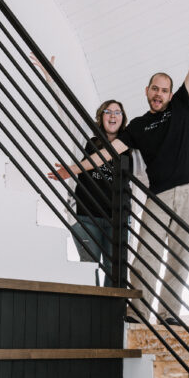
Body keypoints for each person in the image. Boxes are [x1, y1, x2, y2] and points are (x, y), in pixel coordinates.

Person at [51, 21, 189, 323]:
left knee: (180, 255)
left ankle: (168, 314)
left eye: (164, 90)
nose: (159, 94)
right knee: (147, 252)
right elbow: (105, 155)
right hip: (159, 194)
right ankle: (137, 311)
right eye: (155, 89)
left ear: (171, 93)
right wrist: (73, 169)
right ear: (147, 91)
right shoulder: (135, 126)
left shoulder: (180, 106)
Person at [71, 100, 128, 285]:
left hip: (116, 220)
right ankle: (91, 313)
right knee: (88, 267)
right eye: (108, 111)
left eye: (117, 112)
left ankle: (110, 314)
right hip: (86, 216)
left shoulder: (131, 149)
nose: (113, 115)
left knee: (114, 271)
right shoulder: (86, 139)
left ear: (123, 118)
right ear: (100, 116)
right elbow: (65, 107)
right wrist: (50, 76)